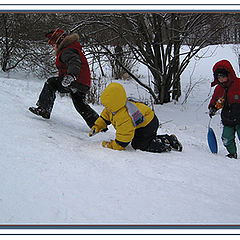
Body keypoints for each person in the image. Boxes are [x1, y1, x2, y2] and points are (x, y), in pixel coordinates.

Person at [29, 28, 99, 128]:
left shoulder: (67, 51)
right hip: (83, 83)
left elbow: (74, 62)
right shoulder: (71, 48)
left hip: (75, 80)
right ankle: (98, 125)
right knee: (81, 105)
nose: (53, 47)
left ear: (59, 43)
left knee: (51, 83)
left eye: (53, 45)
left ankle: (44, 109)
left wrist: (71, 76)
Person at [89, 82, 183, 153]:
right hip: (140, 122)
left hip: (148, 124)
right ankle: (167, 138)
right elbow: (105, 117)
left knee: (139, 145)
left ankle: (164, 144)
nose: (107, 108)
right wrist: (97, 126)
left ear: (115, 103)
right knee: (141, 139)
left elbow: (123, 140)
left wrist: (111, 146)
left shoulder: (125, 116)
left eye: (108, 105)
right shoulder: (112, 109)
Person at [208, 59, 240, 159]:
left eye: (222, 76)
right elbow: (215, 100)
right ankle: (232, 153)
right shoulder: (219, 88)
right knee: (226, 138)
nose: (220, 79)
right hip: (227, 118)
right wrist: (212, 108)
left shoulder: (238, 84)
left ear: (228, 74)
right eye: (218, 77)